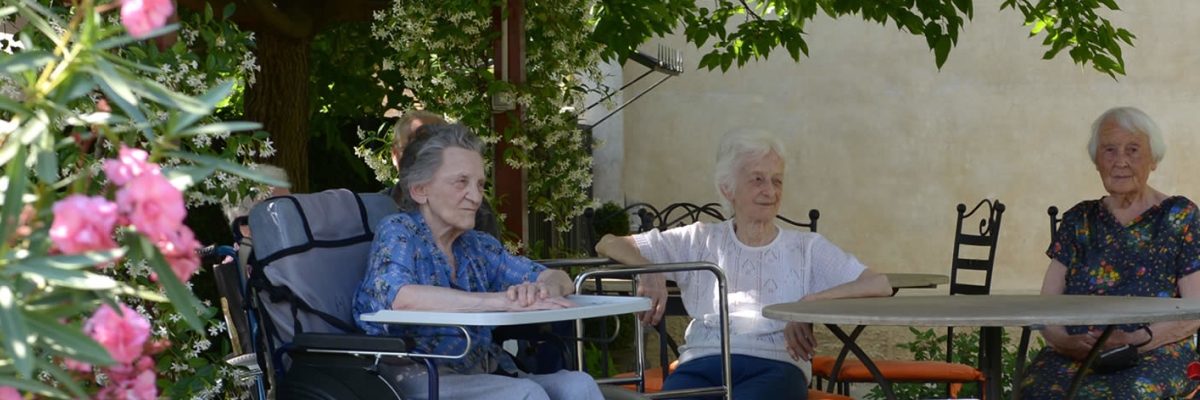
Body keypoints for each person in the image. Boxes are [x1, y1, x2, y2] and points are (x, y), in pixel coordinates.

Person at [595, 129, 893, 400]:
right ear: (728, 189)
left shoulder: (806, 248)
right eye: (757, 179)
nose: (771, 191)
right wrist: (650, 272)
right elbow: (609, 241)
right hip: (702, 363)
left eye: (777, 180)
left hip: (776, 365)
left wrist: (807, 304)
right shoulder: (700, 239)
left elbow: (879, 284)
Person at [353, 123, 604, 400]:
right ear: (420, 190)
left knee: (578, 385)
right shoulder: (399, 231)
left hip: (479, 369)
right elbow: (400, 297)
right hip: (414, 374)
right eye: (461, 182)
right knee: (524, 395)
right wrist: (500, 301)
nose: (475, 197)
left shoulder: (476, 246)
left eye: (480, 184)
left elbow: (557, 278)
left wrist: (541, 291)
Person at [1021, 107, 1200, 399]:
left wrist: (1135, 339)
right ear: (1096, 162)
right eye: (1109, 150)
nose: (1120, 162)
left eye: (1133, 150)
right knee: (1038, 390)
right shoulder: (1078, 220)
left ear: (1153, 159)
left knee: (1128, 393)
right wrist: (1065, 342)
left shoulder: (1179, 216)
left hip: (1153, 352)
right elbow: (1047, 305)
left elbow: (1196, 308)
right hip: (1076, 356)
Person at [384, 110, 500, 238]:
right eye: (411, 147)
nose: (421, 155)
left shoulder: (477, 210)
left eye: (433, 147)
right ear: (394, 154)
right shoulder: (376, 210)